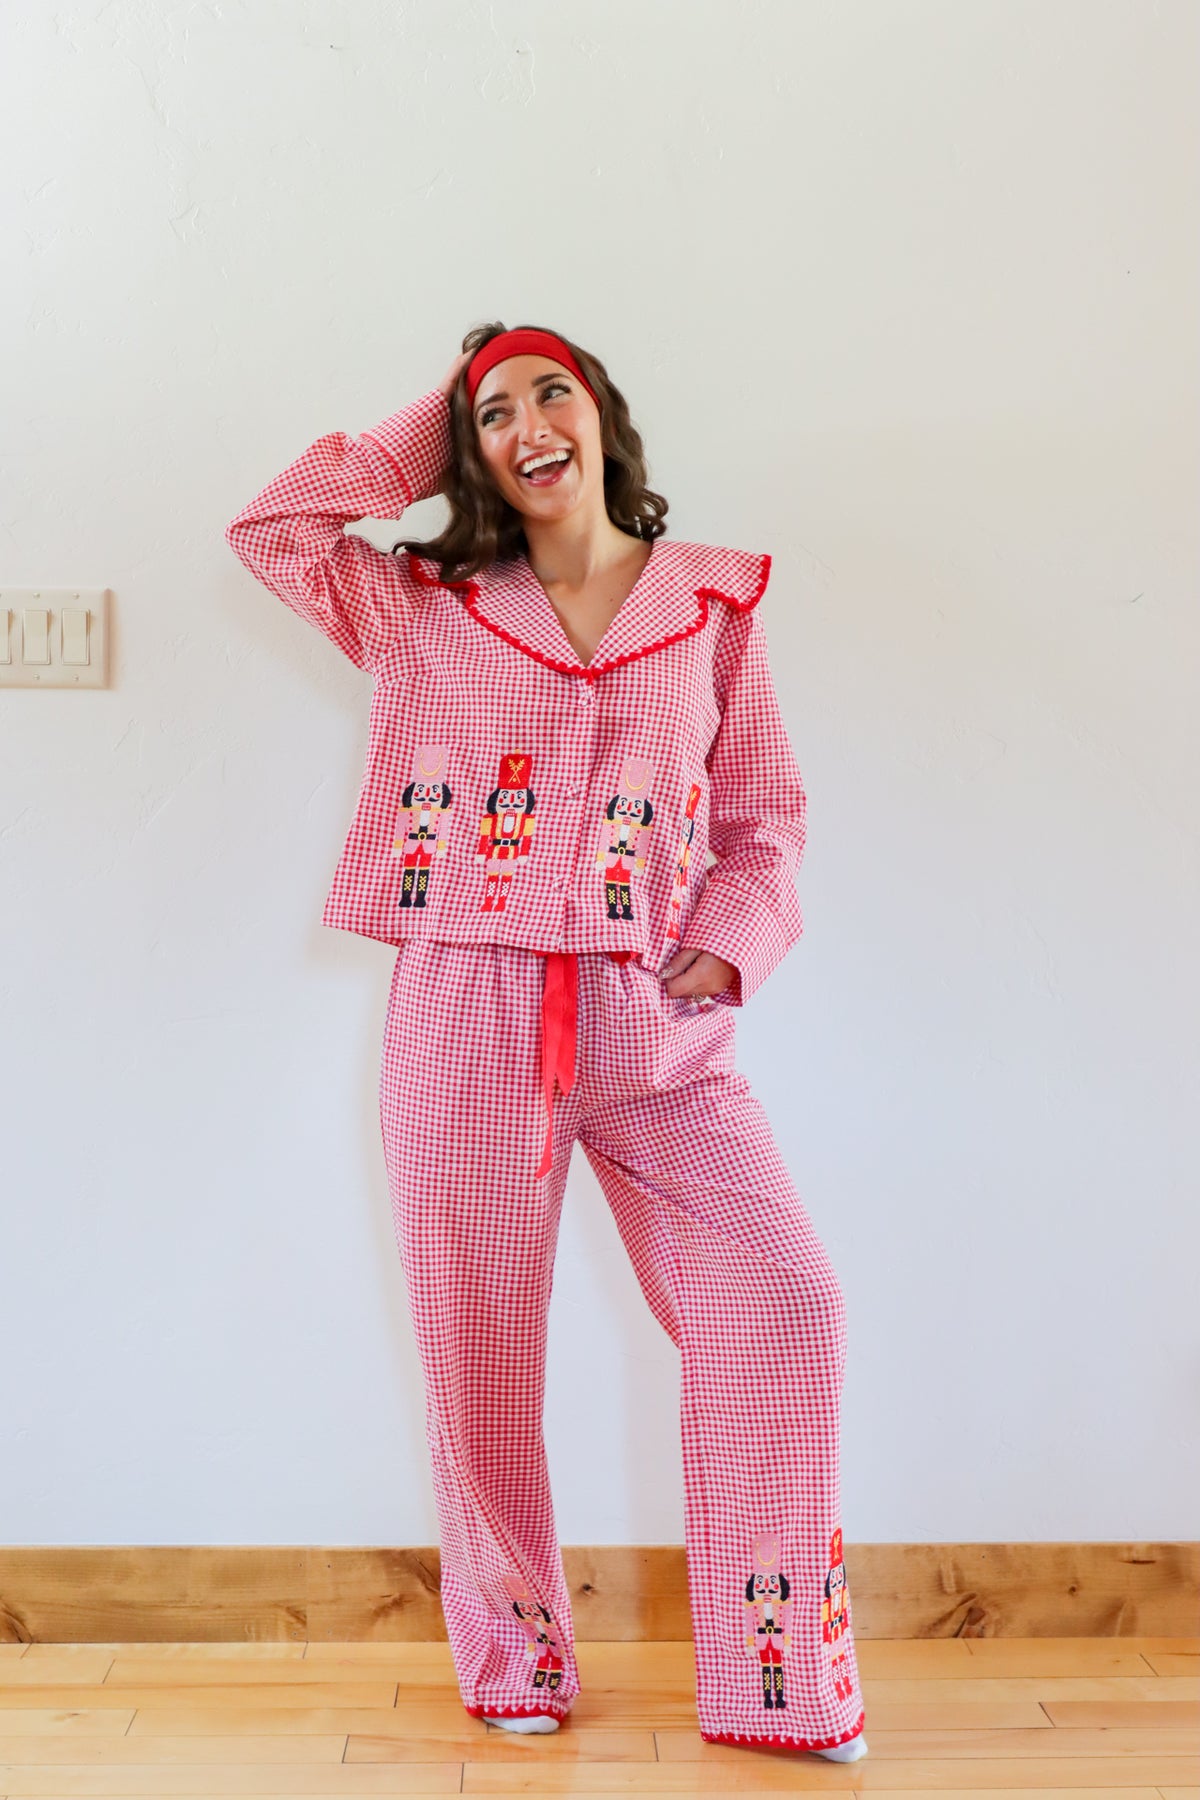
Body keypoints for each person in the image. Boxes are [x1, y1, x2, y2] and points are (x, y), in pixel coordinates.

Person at [224, 321, 868, 1760]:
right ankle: (515, 1657)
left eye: (549, 392)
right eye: (496, 413)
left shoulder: (714, 605)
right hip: (468, 1006)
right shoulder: (424, 605)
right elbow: (275, 527)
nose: (528, 424)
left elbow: (767, 817)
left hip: (661, 1022)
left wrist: (735, 943)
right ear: (476, 451)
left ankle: (777, 1688)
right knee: (478, 1347)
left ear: (603, 417)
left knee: (785, 1300)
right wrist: (436, 421)